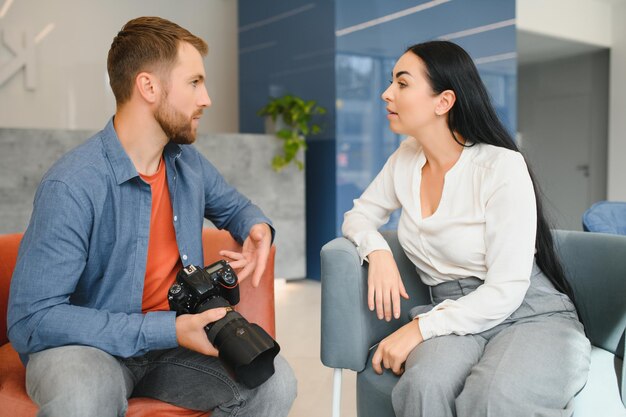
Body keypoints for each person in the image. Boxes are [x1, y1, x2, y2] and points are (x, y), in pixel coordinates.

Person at [7, 16, 296, 417]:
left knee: (274, 380)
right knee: (85, 395)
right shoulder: (72, 184)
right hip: (88, 348)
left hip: (171, 349)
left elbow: (234, 206)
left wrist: (257, 228)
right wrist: (166, 329)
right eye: (194, 82)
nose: (207, 98)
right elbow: (32, 320)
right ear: (148, 86)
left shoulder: (187, 164)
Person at [342, 40, 590, 417]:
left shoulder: (500, 166)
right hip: (453, 309)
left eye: (402, 83)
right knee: (422, 388)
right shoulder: (405, 159)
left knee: (491, 400)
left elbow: (506, 289)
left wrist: (419, 329)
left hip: (528, 310)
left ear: (443, 102)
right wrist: (375, 251)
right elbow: (358, 216)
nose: (386, 93)